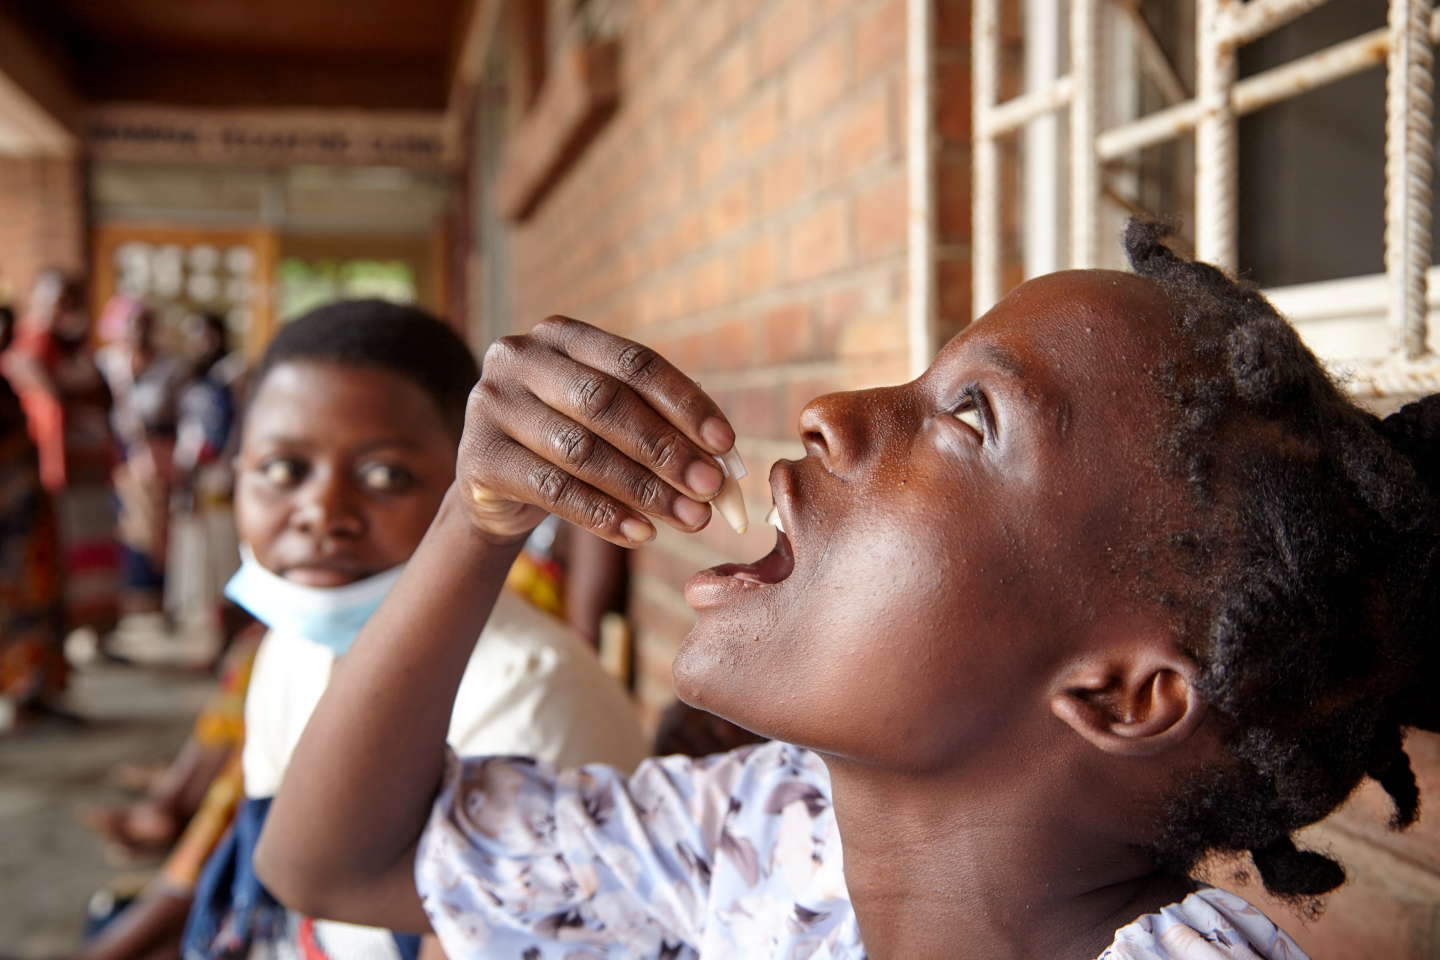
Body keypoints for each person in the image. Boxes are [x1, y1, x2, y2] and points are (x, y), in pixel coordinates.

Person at [255, 221, 1440, 959]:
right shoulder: (773, 842)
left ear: (1123, 695)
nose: (834, 415)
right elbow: (336, 866)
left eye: (971, 417)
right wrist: (477, 517)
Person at [176, 299, 646, 960]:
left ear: (469, 482)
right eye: (283, 470)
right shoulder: (292, 645)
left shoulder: (530, 696)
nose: (322, 513)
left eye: (385, 476)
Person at [2, 270, 118, 679]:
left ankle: (88, 639)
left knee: (92, 560)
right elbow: (52, 397)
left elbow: (104, 397)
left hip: (87, 471)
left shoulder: (77, 350)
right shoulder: (29, 350)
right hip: (49, 480)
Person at [97, 295, 186, 619]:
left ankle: (159, 599)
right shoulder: (107, 364)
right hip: (116, 457)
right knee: (126, 527)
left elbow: (182, 416)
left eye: (144, 325)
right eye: (132, 325)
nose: (138, 332)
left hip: (160, 457)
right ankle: (130, 599)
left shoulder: (171, 368)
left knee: (159, 527)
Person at [0, 303, 66, 728]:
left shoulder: (8, 382)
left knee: (35, 606)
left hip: (26, 521)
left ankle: (31, 694)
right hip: (7, 521)